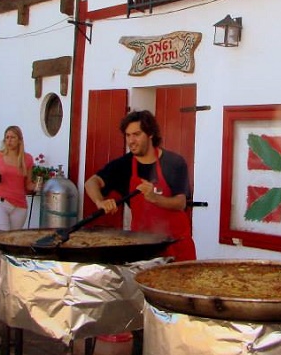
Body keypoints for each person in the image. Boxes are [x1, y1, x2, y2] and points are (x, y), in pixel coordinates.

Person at [84, 110, 197, 261]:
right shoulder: (123, 166)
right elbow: (91, 182)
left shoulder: (174, 163)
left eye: (136, 134)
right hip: (144, 249)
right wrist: (100, 201)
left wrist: (154, 198)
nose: (131, 140)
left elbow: (180, 203)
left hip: (177, 247)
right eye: (128, 135)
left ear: (150, 134)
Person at [0, 125, 39, 230]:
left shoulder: (27, 159)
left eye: (12, 137)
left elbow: (28, 184)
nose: (9, 140)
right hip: (1, 201)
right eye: (7, 137)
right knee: (3, 235)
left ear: (19, 140)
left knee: (13, 238)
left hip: (19, 205)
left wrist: (37, 186)